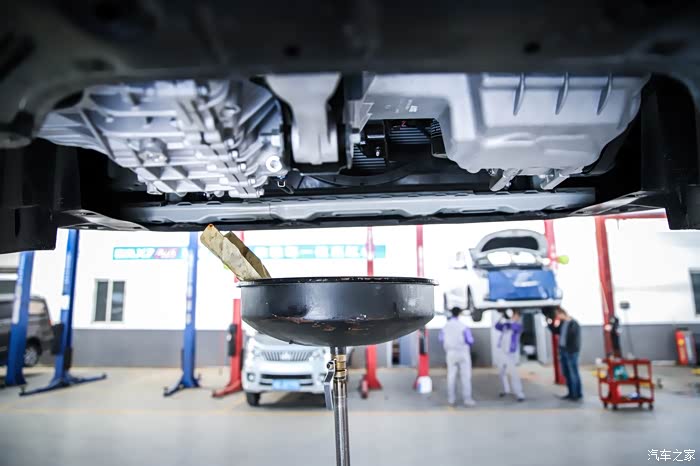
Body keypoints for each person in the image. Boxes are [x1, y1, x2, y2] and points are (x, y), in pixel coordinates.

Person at [439, 308, 476, 407]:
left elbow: (441, 339)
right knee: (466, 376)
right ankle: (467, 399)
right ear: (459, 314)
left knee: (451, 376)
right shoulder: (463, 326)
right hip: (463, 353)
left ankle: (451, 399)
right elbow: (470, 340)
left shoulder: (445, 326)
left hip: (451, 353)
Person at [548, 307, 582, 400]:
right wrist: (549, 322)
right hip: (563, 351)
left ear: (562, 313)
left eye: (558, 315)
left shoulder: (573, 323)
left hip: (571, 352)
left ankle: (577, 394)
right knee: (566, 373)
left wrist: (570, 350)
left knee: (573, 373)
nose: (557, 317)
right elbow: (555, 331)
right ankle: (571, 393)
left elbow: (575, 340)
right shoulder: (563, 323)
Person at [494, 309, 525, 401]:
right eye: (515, 315)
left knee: (513, 373)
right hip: (502, 352)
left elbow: (514, 327)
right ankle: (505, 390)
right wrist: (502, 317)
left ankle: (519, 393)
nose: (516, 317)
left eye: (517, 315)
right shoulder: (506, 324)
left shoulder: (518, 326)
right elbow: (496, 326)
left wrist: (508, 320)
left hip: (510, 353)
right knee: (502, 372)